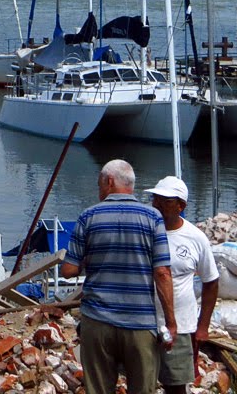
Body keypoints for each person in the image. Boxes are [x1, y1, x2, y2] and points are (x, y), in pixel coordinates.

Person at [60, 159, 177, 394]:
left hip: (98, 321)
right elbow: (162, 272)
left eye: (99, 183)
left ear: (109, 182)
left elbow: (68, 271)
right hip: (140, 324)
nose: (99, 189)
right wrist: (171, 322)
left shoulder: (88, 217)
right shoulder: (153, 218)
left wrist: (89, 260)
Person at [147, 175, 220, 394]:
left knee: (176, 383)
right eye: (156, 199)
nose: (158, 204)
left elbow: (211, 281)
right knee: (140, 382)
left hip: (181, 325)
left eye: (166, 200)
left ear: (181, 205)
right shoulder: (144, 231)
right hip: (143, 322)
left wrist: (203, 326)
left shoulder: (195, 238)